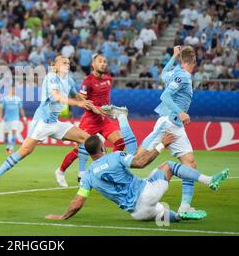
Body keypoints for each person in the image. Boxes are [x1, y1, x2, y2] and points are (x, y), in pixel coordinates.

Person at [45, 134, 229, 222]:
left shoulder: (88, 177)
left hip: (137, 213)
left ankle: (182, 215)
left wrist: (62, 217)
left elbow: (77, 202)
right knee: (169, 166)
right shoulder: (115, 156)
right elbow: (141, 162)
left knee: (161, 212)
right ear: (102, 148)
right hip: (145, 194)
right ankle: (209, 180)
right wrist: (160, 145)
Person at [0, 56, 101, 193]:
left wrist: (91, 105)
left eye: (68, 63)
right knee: (24, 151)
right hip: (42, 122)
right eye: (64, 63)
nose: (67, 65)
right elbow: (57, 96)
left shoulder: (68, 80)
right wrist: (79, 103)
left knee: (86, 139)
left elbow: (75, 95)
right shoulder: (51, 77)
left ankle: (82, 176)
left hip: (55, 122)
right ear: (55, 66)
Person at [55, 54, 136, 187]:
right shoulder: (88, 81)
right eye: (100, 61)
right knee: (80, 149)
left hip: (104, 120)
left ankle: (112, 168)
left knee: (120, 141)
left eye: (105, 61)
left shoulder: (109, 79)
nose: (103, 63)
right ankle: (60, 170)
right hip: (90, 120)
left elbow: (105, 100)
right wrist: (97, 109)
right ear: (93, 64)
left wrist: (112, 109)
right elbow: (82, 99)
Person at [140, 46, 200, 213]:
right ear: (194, 61)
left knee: (190, 164)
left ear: (181, 60)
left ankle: (185, 207)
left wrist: (173, 57)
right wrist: (180, 112)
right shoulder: (182, 76)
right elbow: (164, 96)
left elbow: (163, 73)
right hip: (168, 122)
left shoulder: (175, 73)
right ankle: (137, 186)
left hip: (176, 125)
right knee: (138, 160)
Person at [0, 86, 27, 154]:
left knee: (14, 132)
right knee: (6, 134)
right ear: (9, 91)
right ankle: (7, 147)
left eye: (14, 90)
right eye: (11, 90)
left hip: (15, 119)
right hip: (7, 119)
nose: (13, 91)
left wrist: (24, 117)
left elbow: (21, 109)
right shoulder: (4, 99)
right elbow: (1, 109)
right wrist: (0, 117)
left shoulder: (18, 99)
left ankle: (11, 148)